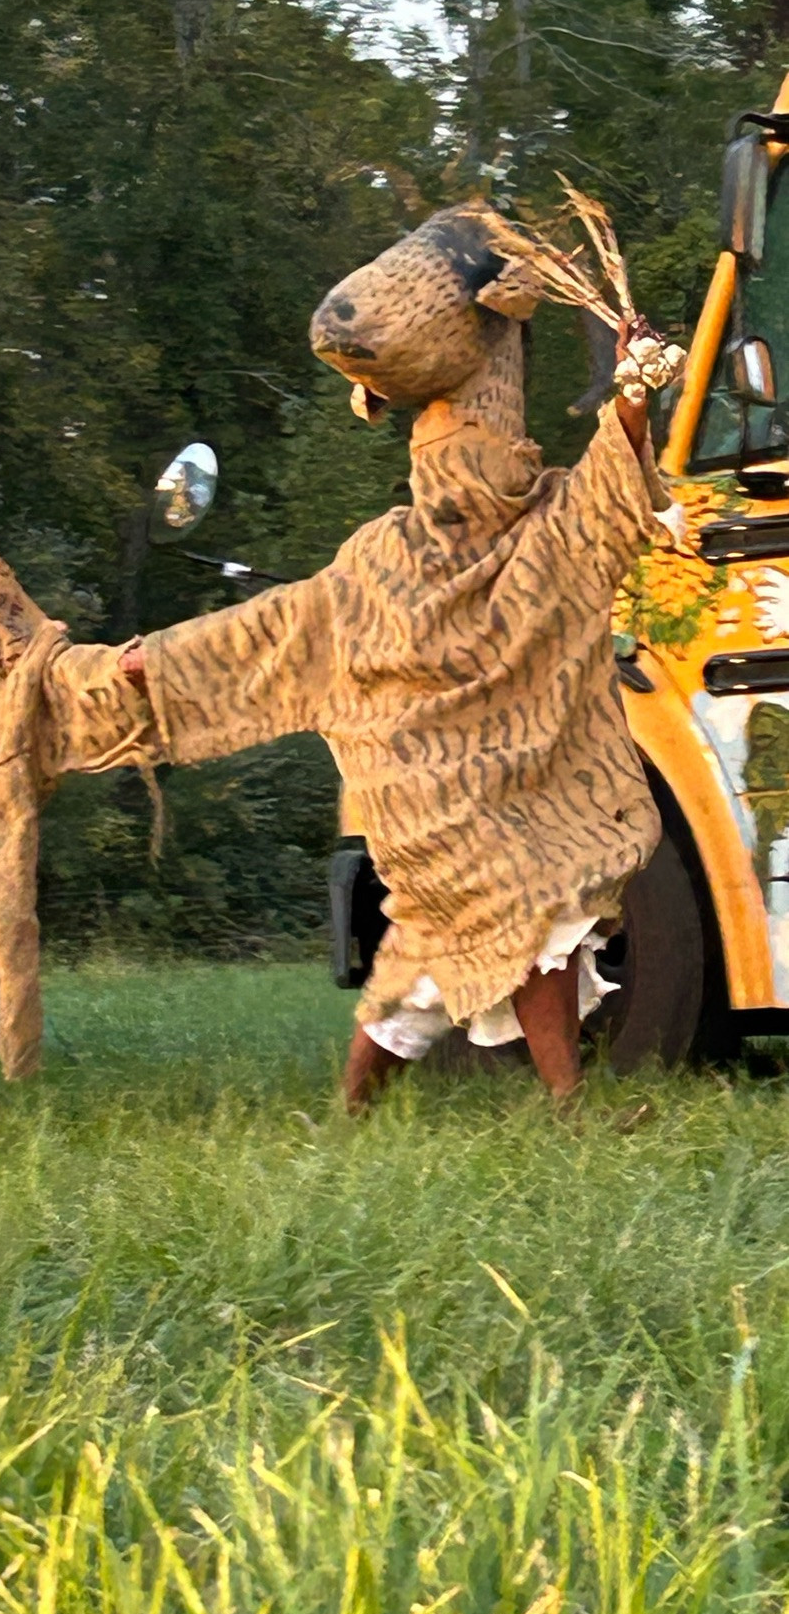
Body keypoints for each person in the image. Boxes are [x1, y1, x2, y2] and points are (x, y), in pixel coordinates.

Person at [119, 199, 685, 1111]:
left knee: (428, 959)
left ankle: (358, 1111)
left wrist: (632, 390)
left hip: (461, 798)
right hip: (445, 795)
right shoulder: (391, 560)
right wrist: (162, 665)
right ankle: (567, 1106)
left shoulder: (524, 534)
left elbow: (601, 501)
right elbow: (279, 631)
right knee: (524, 902)